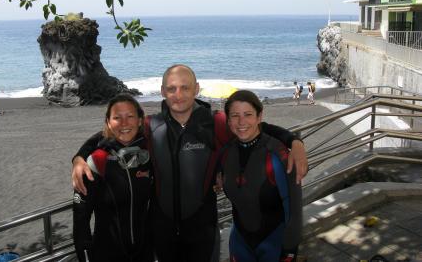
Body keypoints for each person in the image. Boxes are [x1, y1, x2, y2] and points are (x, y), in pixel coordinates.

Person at [72, 64, 308, 262]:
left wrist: (294, 141)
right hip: (161, 229)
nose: (179, 94)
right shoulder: (151, 126)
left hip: (202, 229)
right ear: (162, 91)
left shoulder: (216, 122)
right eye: (172, 88)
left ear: (196, 89)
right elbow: (112, 133)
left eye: (185, 87)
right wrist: (80, 157)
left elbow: (254, 127)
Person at [222, 90, 302, 262]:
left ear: (259, 117)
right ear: (228, 121)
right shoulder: (227, 153)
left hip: (274, 244)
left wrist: (289, 250)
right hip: (240, 242)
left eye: (248, 114)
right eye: (235, 115)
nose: (241, 122)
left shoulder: (277, 154)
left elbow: (294, 208)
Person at [73, 94, 154, 262]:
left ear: (140, 120)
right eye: (117, 118)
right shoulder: (96, 161)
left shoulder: (150, 152)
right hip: (107, 254)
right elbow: (81, 220)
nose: (124, 123)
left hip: (145, 252)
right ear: (109, 122)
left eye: (130, 116)